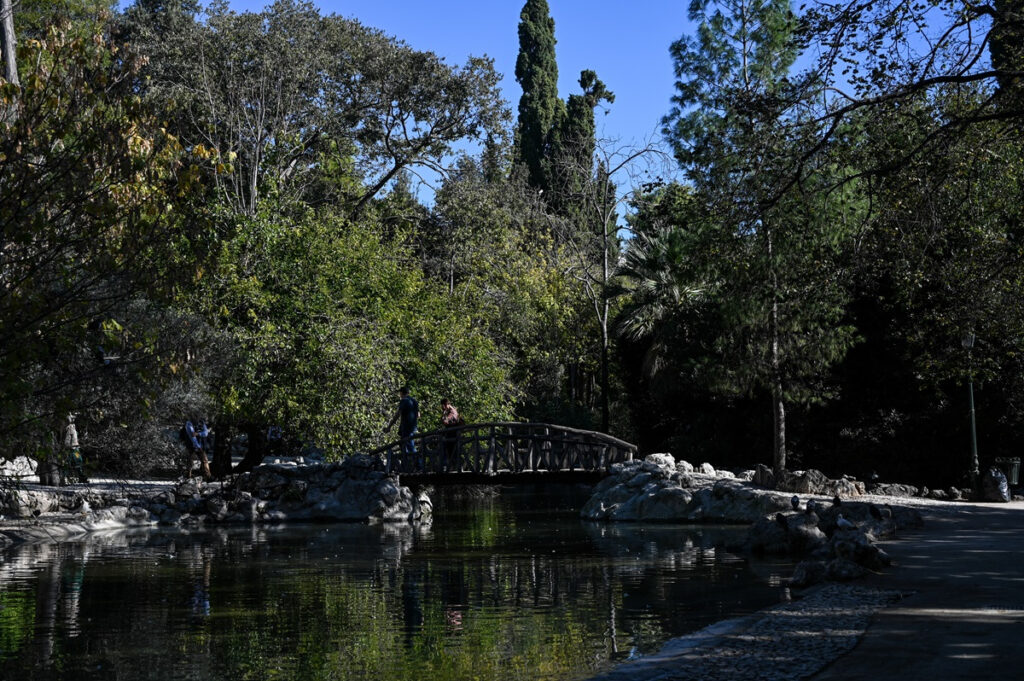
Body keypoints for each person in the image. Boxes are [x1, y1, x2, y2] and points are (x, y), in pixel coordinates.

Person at [386, 386, 419, 466]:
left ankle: (418, 465)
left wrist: (389, 427)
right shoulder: (414, 401)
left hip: (406, 427)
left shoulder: (404, 401)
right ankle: (409, 465)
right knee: (405, 445)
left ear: (401, 393)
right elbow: (418, 415)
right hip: (413, 427)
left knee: (409, 446)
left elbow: (397, 414)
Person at [63, 413, 87, 484]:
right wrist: (67, 447)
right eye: (72, 418)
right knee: (67, 463)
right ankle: (64, 478)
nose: (73, 419)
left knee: (78, 462)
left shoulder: (73, 427)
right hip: (71, 449)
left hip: (75, 448)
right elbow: (67, 440)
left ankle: (81, 477)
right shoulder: (69, 428)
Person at [439, 398, 461, 472]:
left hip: (453, 434)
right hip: (451, 434)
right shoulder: (450, 410)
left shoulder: (452, 412)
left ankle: (453, 467)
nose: (442, 407)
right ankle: (452, 467)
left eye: (443, 406)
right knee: (451, 451)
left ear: (445, 405)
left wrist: (444, 414)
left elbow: (445, 421)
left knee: (452, 451)